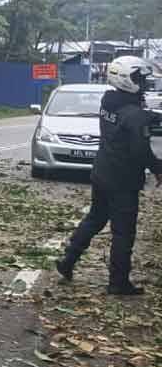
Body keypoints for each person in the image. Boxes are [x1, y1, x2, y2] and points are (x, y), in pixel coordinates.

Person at [56, 56, 162, 295]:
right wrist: (157, 168)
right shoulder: (133, 114)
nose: (143, 83)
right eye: (139, 78)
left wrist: (153, 116)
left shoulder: (109, 101)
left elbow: (132, 118)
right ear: (126, 80)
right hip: (123, 180)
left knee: (94, 219)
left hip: (102, 173)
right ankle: (118, 282)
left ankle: (68, 261)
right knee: (123, 232)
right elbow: (140, 150)